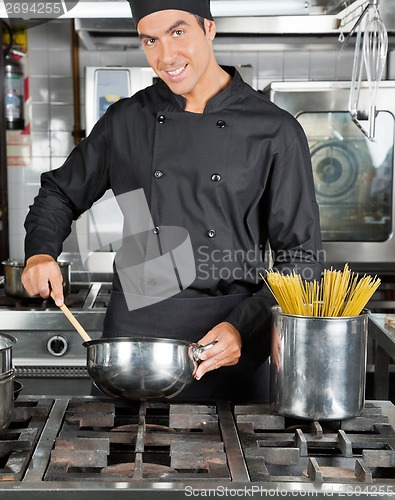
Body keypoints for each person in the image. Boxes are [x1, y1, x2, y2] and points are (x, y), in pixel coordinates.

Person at [22, 0, 323, 401]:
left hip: (227, 347)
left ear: (209, 29)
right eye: (151, 40)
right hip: (133, 347)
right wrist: (40, 252)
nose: (165, 56)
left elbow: (302, 261)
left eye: (178, 32)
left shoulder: (275, 131)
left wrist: (245, 331)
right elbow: (59, 192)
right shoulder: (126, 121)